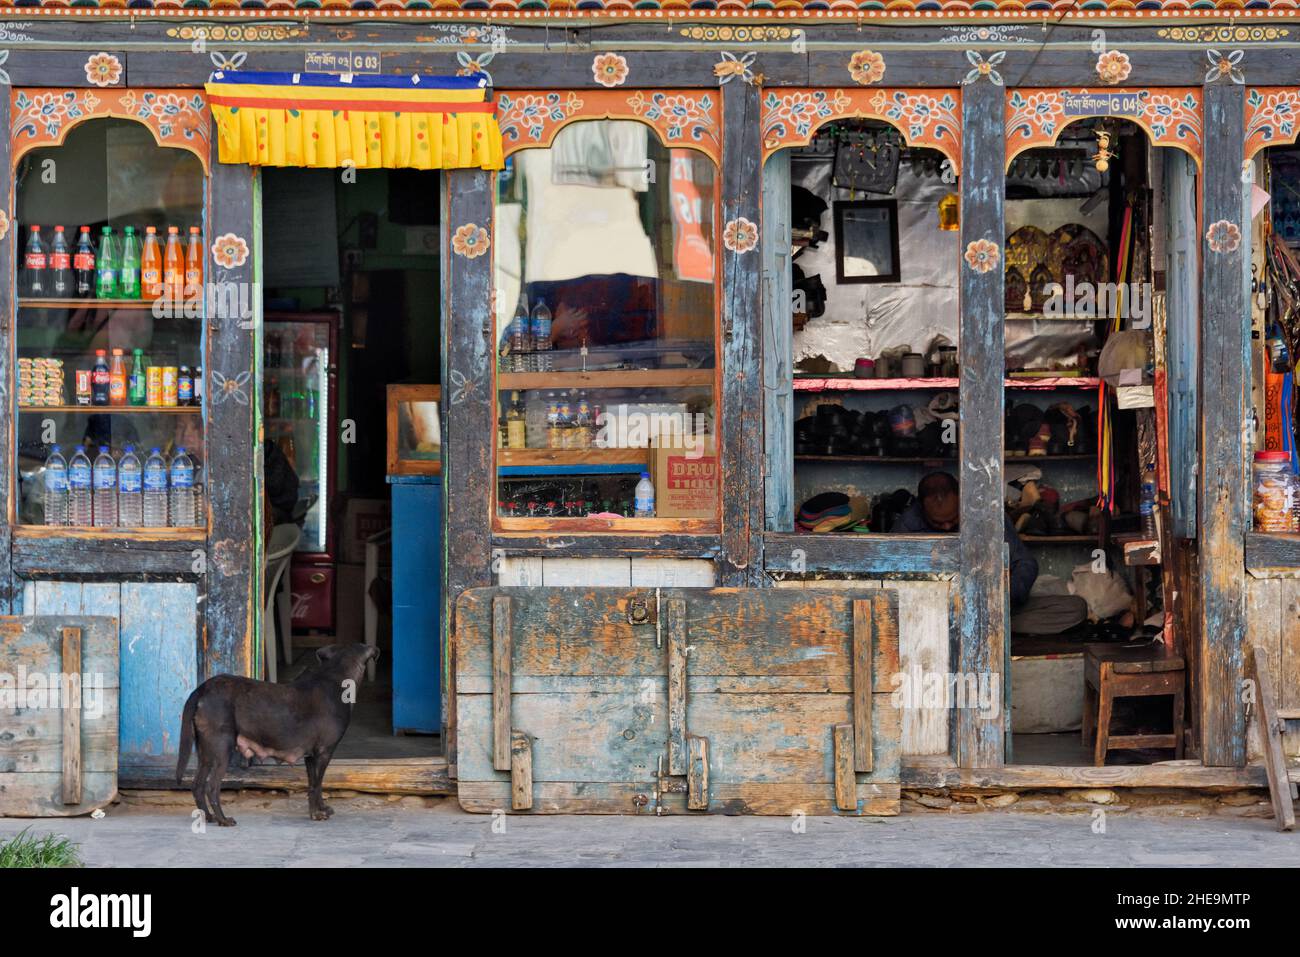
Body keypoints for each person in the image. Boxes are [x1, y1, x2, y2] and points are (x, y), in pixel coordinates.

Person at [893, 471, 1088, 635]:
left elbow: (1025, 562)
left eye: (953, 519)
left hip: (989, 611)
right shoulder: (906, 525)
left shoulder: (987, 515)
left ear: (962, 498)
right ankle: (972, 630)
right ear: (921, 508)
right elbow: (893, 583)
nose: (946, 526)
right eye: (936, 523)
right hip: (934, 616)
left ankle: (980, 629)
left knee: (1074, 608)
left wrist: (1005, 595)